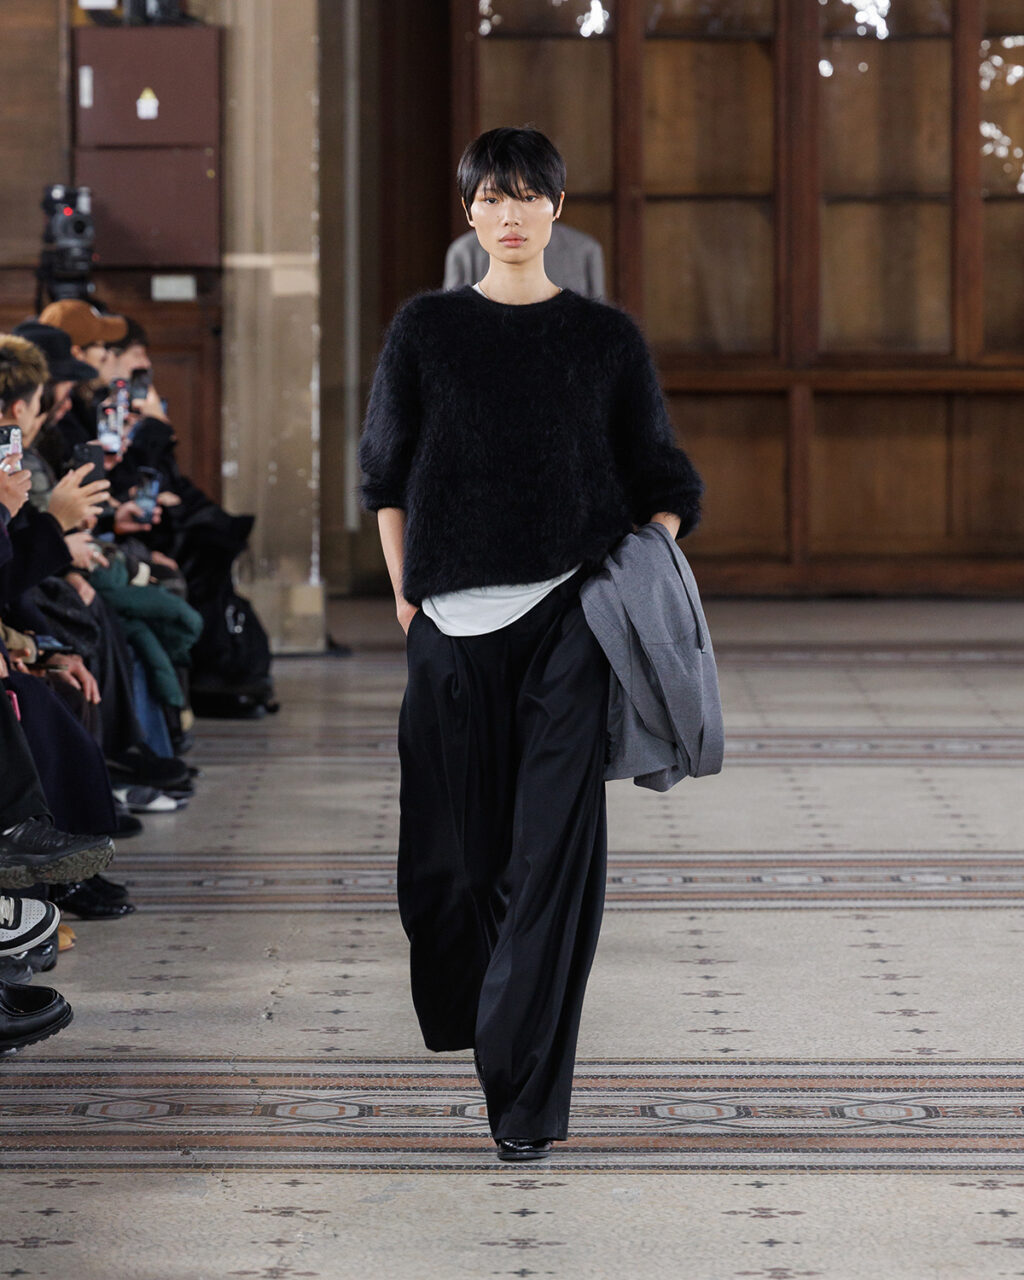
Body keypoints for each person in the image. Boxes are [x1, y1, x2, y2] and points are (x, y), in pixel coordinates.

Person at [357, 126, 703, 1162]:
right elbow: (384, 475)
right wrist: (404, 598)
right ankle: (486, 1020)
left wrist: (636, 573)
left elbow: (666, 479)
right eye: (490, 197)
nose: (508, 215)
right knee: (456, 870)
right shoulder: (426, 330)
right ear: (468, 211)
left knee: (553, 859)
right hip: (448, 629)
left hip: (571, 623)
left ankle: (524, 1100)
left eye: (526, 196)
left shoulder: (603, 339)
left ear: (557, 207)